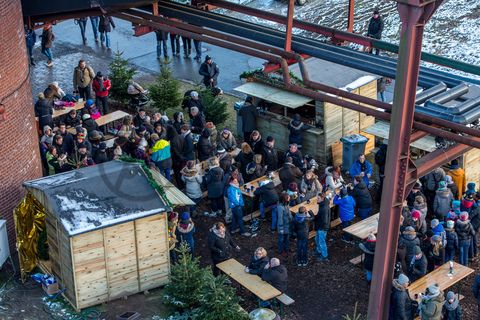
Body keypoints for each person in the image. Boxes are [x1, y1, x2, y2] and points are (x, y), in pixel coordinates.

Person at [313, 192, 332, 262]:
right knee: (316, 239)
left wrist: (315, 218)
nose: (317, 200)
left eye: (318, 198)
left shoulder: (324, 208)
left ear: (322, 198)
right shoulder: (322, 204)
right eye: (317, 198)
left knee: (321, 242)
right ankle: (319, 251)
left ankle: (324, 256)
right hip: (320, 227)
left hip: (322, 227)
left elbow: (324, 220)